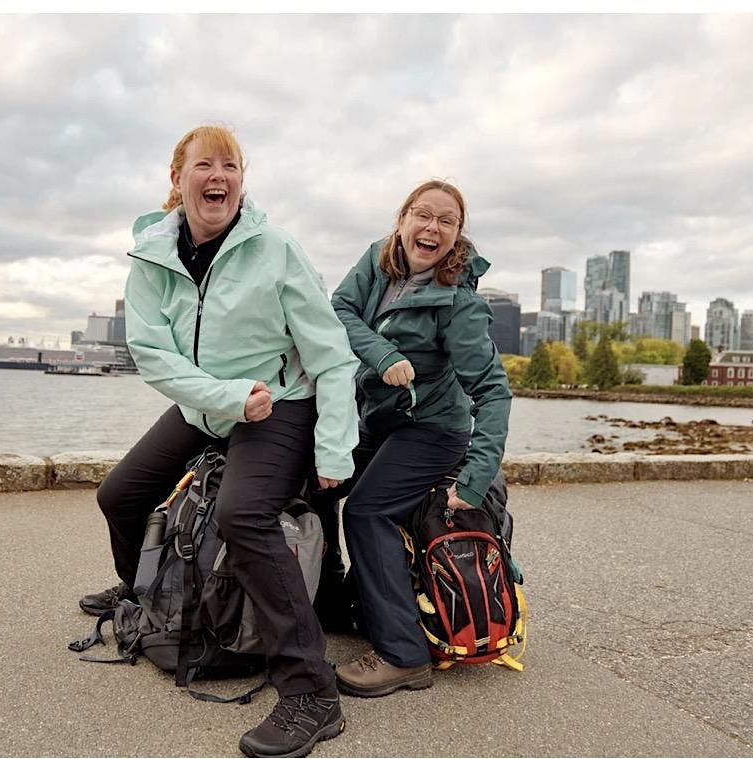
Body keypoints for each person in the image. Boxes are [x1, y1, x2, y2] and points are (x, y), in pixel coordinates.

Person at [78, 125, 358, 758]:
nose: (219, 177)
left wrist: (334, 447)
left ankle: (312, 693)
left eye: (230, 166)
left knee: (243, 515)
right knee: (120, 495)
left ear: (241, 183)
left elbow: (332, 357)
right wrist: (224, 398)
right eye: (204, 165)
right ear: (177, 180)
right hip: (212, 404)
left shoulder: (277, 249)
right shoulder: (152, 257)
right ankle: (148, 595)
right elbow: (152, 353)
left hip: (279, 404)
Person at [326, 179, 512, 698]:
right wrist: (383, 356)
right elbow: (337, 311)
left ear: (456, 235)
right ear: (402, 219)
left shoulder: (458, 304)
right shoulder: (377, 262)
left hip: (434, 430)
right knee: (318, 482)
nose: (431, 227)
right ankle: (337, 603)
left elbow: (494, 392)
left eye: (446, 221)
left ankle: (403, 655)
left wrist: (475, 480)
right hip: (382, 421)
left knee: (365, 511)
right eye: (422, 215)